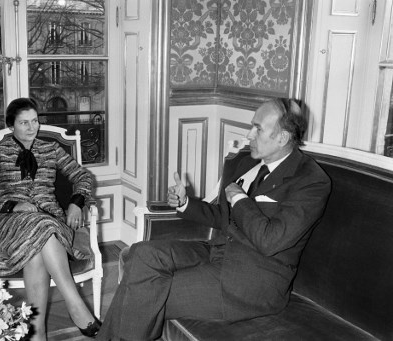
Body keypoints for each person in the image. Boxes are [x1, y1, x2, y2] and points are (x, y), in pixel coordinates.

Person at [97, 98, 331, 341]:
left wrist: (240, 200)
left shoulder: (310, 181)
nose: (249, 134)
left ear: (282, 137)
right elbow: (223, 217)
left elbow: (270, 241)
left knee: (142, 289)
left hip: (253, 280)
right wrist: (186, 203)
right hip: (217, 251)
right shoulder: (247, 162)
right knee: (143, 254)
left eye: (258, 128)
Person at [0, 98, 101, 341]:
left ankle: (36, 332)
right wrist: (13, 205)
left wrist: (76, 202)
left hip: (51, 218)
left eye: (35, 121)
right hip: (10, 221)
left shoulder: (51, 149)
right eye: (24, 123)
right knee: (41, 228)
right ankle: (76, 306)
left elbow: (82, 176)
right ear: (11, 126)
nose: (32, 128)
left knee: (40, 234)